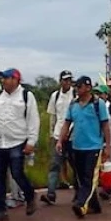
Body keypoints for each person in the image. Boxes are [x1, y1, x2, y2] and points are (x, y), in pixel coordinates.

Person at [0, 68, 39, 221]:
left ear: (15, 79)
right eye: (3, 78)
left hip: (17, 142)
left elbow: (33, 120)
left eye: (6, 78)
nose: (3, 81)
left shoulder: (26, 96)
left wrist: (31, 141)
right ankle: (0, 210)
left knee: (17, 174)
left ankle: (30, 195)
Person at [56, 76, 111, 218]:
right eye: (76, 86)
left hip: (93, 146)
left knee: (89, 177)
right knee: (80, 177)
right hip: (77, 146)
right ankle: (94, 205)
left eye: (79, 86)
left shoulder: (97, 104)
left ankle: (81, 204)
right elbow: (66, 124)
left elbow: (106, 126)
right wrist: (60, 141)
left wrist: (108, 147)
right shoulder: (73, 104)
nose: (77, 89)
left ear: (88, 87)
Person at [43, 70, 75, 205]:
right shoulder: (55, 96)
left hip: (73, 135)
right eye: (65, 80)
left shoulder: (75, 95)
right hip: (58, 135)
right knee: (55, 164)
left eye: (69, 80)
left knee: (76, 165)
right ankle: (51, 193)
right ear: (60, 81)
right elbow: (53, 117)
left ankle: (81, 192)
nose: (67, 82)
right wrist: (51, 134)